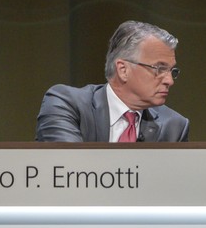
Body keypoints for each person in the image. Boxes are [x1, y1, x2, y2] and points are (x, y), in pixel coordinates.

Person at [36, 20, 189, 142]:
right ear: (123, 70)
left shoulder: (174, 126)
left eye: (171, 71)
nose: (169, 81)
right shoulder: (66, 104)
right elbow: (72, 171)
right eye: (159, 69)